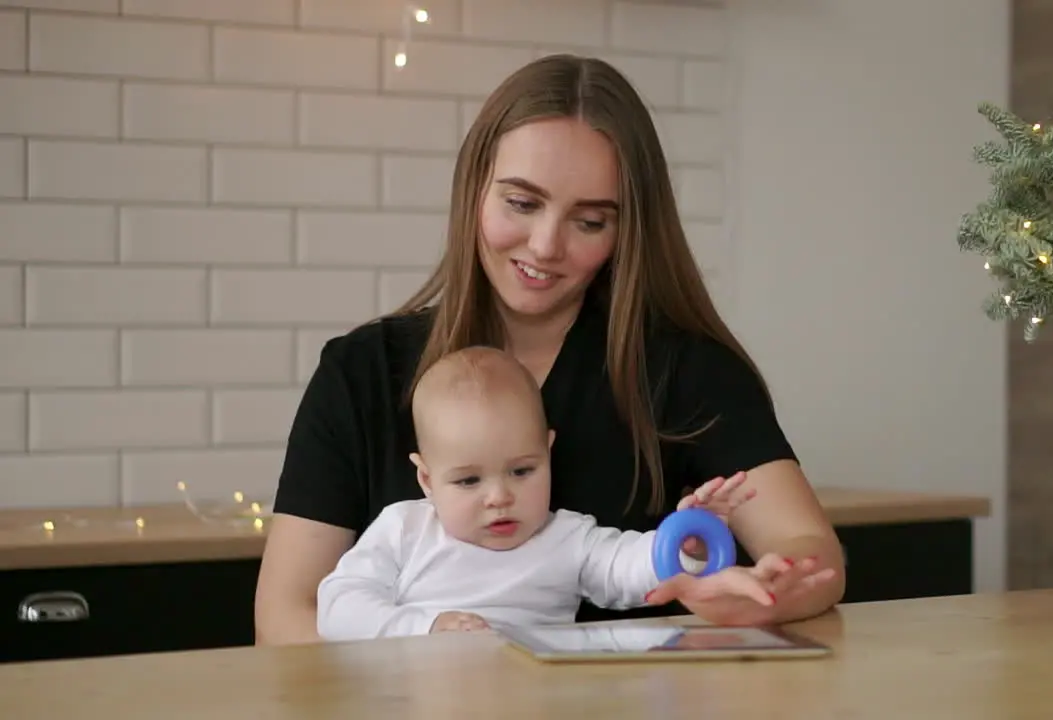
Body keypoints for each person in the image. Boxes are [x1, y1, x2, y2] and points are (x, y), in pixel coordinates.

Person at [254, 53, 846, 646]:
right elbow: (285, 617)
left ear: (627, 231)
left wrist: (767, 592)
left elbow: (811, 557)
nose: (545, 246)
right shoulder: (361, 372)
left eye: (589, 221)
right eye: (521, 203)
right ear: (474, 188)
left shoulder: (687, 371)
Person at [315, 346, 771, 640]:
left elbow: (627, 568)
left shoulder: (566, 538)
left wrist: (688, 540)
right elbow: (339, 606)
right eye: (469, 481)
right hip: (420, 695)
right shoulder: (405, 530)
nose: (498, 497)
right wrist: (427, 627)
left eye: (521, 470)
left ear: (547, 452)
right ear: (427, 481)